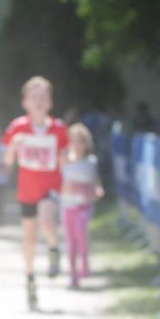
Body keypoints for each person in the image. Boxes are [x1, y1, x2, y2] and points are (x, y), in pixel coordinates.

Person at [4, 75, 69, 310]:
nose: (39, 102)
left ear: (50, 102)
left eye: (43, 97)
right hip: (27, 189)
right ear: (25, 103)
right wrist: (15, 144)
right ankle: (30, 277)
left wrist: (66, 162)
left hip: (50, 186)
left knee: (47, 219)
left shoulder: (59, 128)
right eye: (34, 97)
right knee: (29, 238)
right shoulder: (18, 127)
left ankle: (54, 248)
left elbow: (65, 158)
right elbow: (8, 160)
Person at [61, 123, 104, 289]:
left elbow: (96, 182)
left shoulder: (91, 162)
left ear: (86, 143)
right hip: (68, 205)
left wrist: (97, 190)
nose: (77, 145)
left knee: (81, 232)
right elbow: (61, 184)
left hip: (84, 206)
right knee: (70, 242)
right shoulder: (65, 161)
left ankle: (84, 262)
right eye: (74, 141)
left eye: (81, 141)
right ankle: (73, 275)